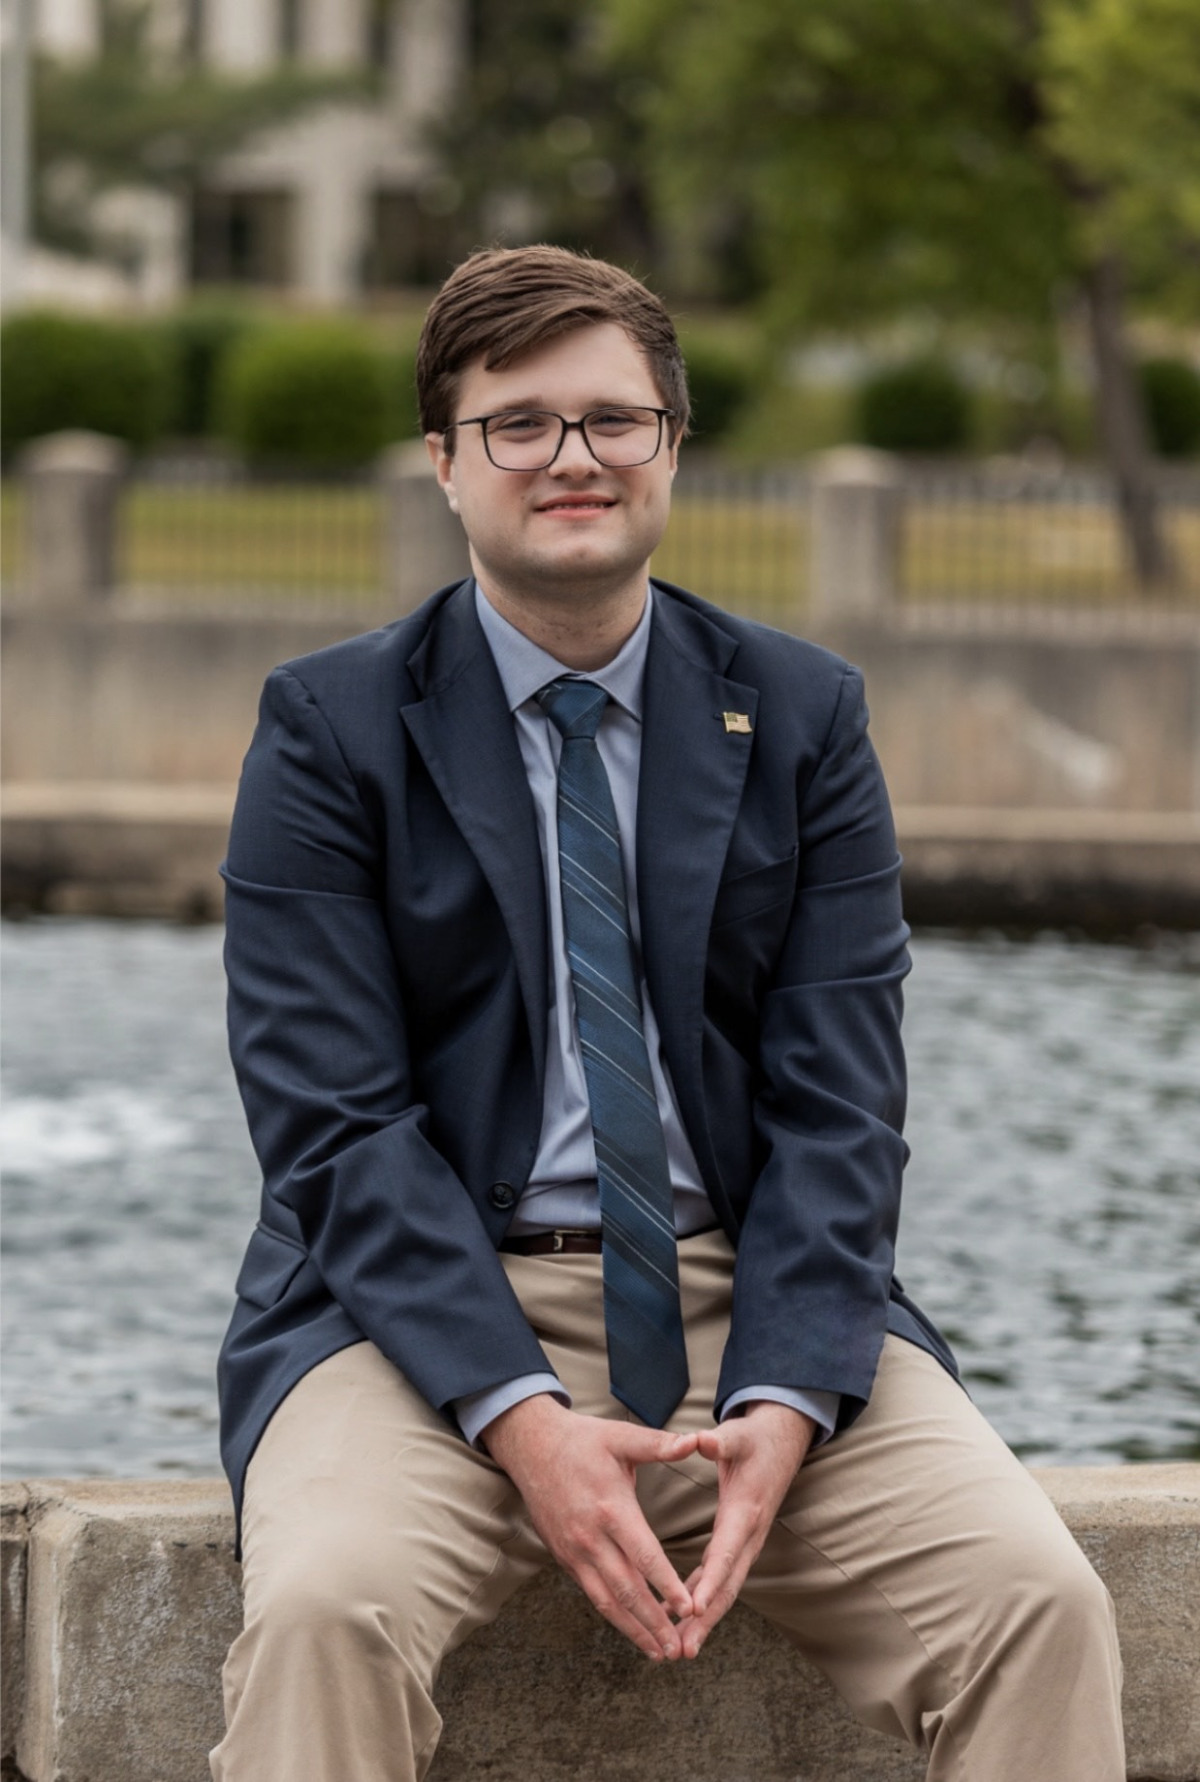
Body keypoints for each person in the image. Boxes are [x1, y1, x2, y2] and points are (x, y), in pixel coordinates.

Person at [211, 245, 1124, 1782]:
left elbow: (845, 1105)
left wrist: (785, 1387)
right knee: (321, 1613)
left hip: (747, 1298)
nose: (573, 456)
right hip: (417, 1324)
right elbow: (335, 1127)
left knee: (1041, 1606)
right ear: (444, 459)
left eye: (614, 418)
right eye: (519, 422)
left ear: (672, 445)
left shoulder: (805, 713)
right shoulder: (329, 731)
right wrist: (520, 1414)